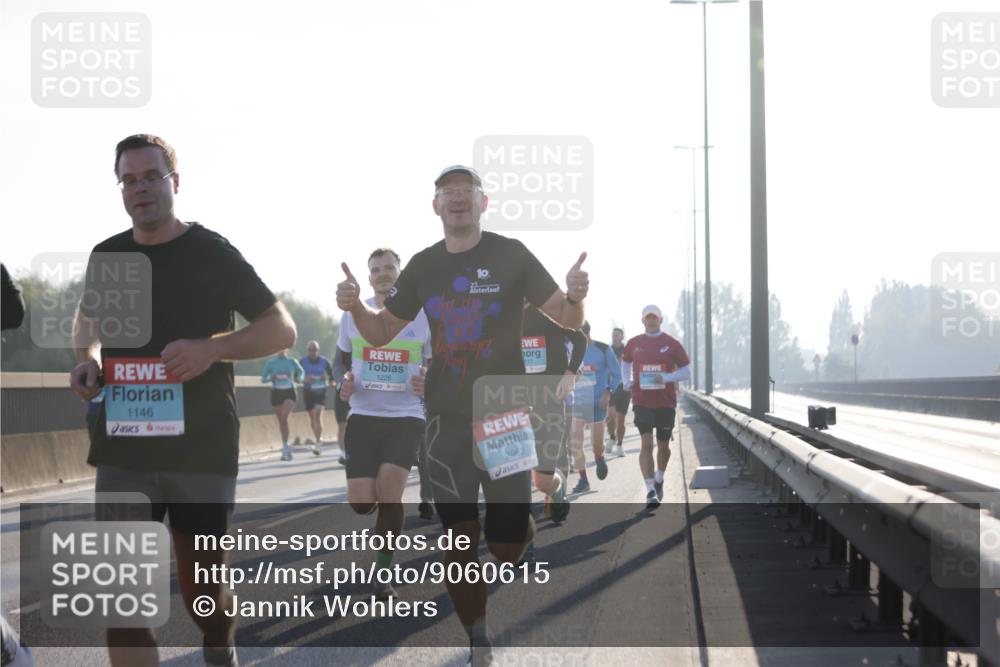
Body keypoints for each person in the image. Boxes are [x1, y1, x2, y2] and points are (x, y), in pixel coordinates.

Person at [336, 165, 588, 665]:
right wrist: (353, 309)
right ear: (435, 206)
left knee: (507, 544)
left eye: (465, 191)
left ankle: (520, 531)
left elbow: (566, 315)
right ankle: (477, 634)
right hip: (445, 416)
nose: (456, 199)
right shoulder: (424, 266)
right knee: (458, 536)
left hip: (502, 411)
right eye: (447, 192)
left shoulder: (511, 254)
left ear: (483, 202)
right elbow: (383, 329)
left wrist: (577, 294)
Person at [69, 134, 296, 667]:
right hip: (125, 446)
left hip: (201, 446)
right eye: (129, 179)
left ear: (175, 182)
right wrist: (90, 359)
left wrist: (210, 350)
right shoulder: (109, 256)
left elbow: (280, 329)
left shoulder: (211, 252)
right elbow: (88, 323)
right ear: (120, 188)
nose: (140, 188)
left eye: (151, 177)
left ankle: (219, 642)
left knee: (202, 592)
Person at [337, 247, 432, 599]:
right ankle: (376, 508)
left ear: (399, 272)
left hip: (406, 416)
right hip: (362, 416)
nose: (382, 274)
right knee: (362, 503)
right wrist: (344, 380)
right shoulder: (352, 314)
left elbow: (439, 362)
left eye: (388, 268)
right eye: (375, 269)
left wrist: (429, 379)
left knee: (390, 495)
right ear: (368, 276)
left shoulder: (423, 315)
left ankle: (382, 570)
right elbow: (342, 362)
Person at [521, 302, 587, 529]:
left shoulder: (549, 314)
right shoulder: (503, 315)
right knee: (516, 473)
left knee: (542, 480)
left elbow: (580, 340)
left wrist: (570, 373)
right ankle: (523, 541)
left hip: (550, 400)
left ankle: (557, 488)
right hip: (513, 400)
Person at [621, 305, 690, 509]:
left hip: (665, 402)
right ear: (642, 321)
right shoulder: (634, 343)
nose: (651, 321)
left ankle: (659, 477)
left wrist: (667, 377)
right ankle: (650, 489)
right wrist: (626, 380)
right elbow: (624, 362)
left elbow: (687, 371)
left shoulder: (671, 344)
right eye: (647, 318)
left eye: (654, 318)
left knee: (663, 447)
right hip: (642, 400)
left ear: (660, 320)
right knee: (646, 444)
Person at [568, 321, 621, 493]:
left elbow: (617, 374)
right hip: (577, 402)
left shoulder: (603, 349)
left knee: (596, 445)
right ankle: (583, 479)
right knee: (576, 443)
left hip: (597, 402)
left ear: (586, 333)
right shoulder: (569, 350)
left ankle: (599, 457)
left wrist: (608, 391)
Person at [262, 349, 304, 460]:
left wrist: (299, 378)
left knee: (284, 418)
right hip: (276, 392)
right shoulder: (271, 363)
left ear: (286, 349)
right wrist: (271, 378)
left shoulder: (292, 361)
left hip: (289, 391)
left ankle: (286, 447)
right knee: (281, 421)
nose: (280, 350)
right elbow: (263, 379)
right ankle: (285, 445)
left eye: (283, 348)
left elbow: (301, 372)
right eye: (278, 348)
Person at [299, 341, 335, 455]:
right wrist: (305, 379)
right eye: (310, 350)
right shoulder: (302, 362)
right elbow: (296, 376)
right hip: (308, 391)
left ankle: (318, 443)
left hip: (320, 391)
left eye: (314, 350)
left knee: (318, 414)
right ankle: (316, 439)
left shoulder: (324, 361)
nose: (312, 352)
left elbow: (332, 377)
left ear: (318, 350)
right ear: (307, 350)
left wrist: (328, 378)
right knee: (312, 417)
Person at [606, 326, 629, 457]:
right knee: (610, 418)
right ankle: (612, 436)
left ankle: (619, 445)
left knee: (621, 420)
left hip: (624, 388)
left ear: (622, 337)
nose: (614, 337)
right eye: (613, 335)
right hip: (611, 387)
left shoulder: (627, 351)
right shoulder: (608, 351)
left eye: (617, 335)